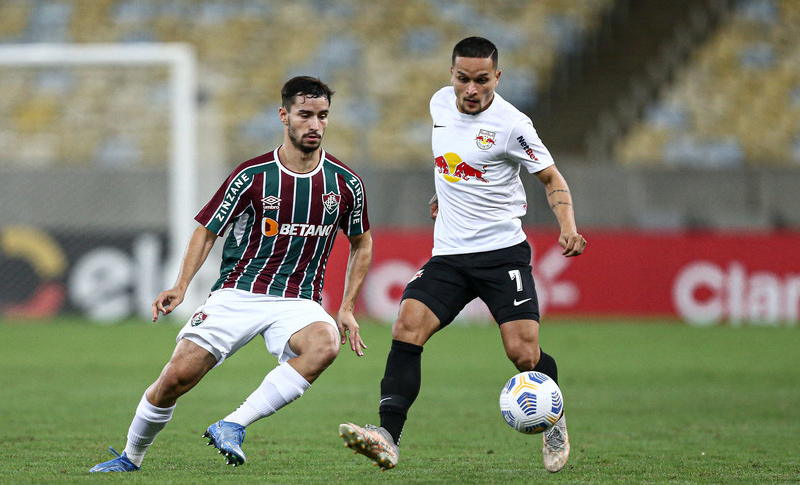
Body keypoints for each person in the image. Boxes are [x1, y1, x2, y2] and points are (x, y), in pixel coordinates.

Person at [90, 76, 373, 472]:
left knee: (325, 344)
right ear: (284, 116)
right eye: (305, 115)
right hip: (239, 292)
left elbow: (362, 243)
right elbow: (207, 231)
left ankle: (233, 424)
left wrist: (346, 307)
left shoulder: (345, 183)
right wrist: (181, 286)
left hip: (298, 300)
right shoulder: (252, 176)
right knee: (177, 377)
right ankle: (130, 457)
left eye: (322, 116)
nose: (315, 125)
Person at [339, 36, 585, 474]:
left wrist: (567, 226)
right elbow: (455, 159)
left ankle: (554, 419)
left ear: (497, 77)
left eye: (482, 80)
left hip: (502, 254)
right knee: (406, 326)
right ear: (451, 74)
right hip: (450, 254)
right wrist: (445, 192)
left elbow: (551, 179)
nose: (471, 90)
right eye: (463, 79)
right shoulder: (439, 104)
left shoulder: (513, 125)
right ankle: (388, 438)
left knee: (524, 355)